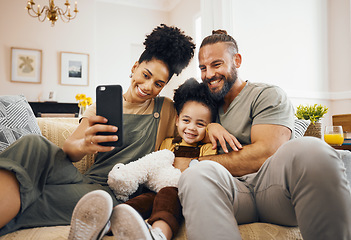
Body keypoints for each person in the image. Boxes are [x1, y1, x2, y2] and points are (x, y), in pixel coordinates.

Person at [0, 24, 195, 237]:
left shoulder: (166, 109)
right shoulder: (103, 105)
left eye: (158, 84)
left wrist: (211, 127)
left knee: (38, 198)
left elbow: (193, 125)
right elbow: (68, 150)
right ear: (135, 67)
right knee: (32, 143)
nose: (148, 87)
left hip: (111, 194)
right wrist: (84, 145)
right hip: (83, 178)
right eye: (146, 75)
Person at [176, 30, 351, 240]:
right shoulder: (206, 104)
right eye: (203, 68)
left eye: (216, 64)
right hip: (232, 192)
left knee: (312, 149)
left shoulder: (266, 95)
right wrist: (210, 127)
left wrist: (195, 160)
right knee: (195, 175)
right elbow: (186, 126)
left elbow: (266, 153)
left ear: (237, 61)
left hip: (274, 191)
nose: (208, 74)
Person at [106, 78, 218, 240]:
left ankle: (159, 234)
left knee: (167, 196)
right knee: (143, 199)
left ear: (209, 126)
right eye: (186, 120)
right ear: (177, 120)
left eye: (200, 124)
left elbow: (204, 174)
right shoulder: (168, 143)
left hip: (183, 195)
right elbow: (156, 166)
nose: (191, 128)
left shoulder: (207, 148)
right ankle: (110, 222)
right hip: (156, 191)